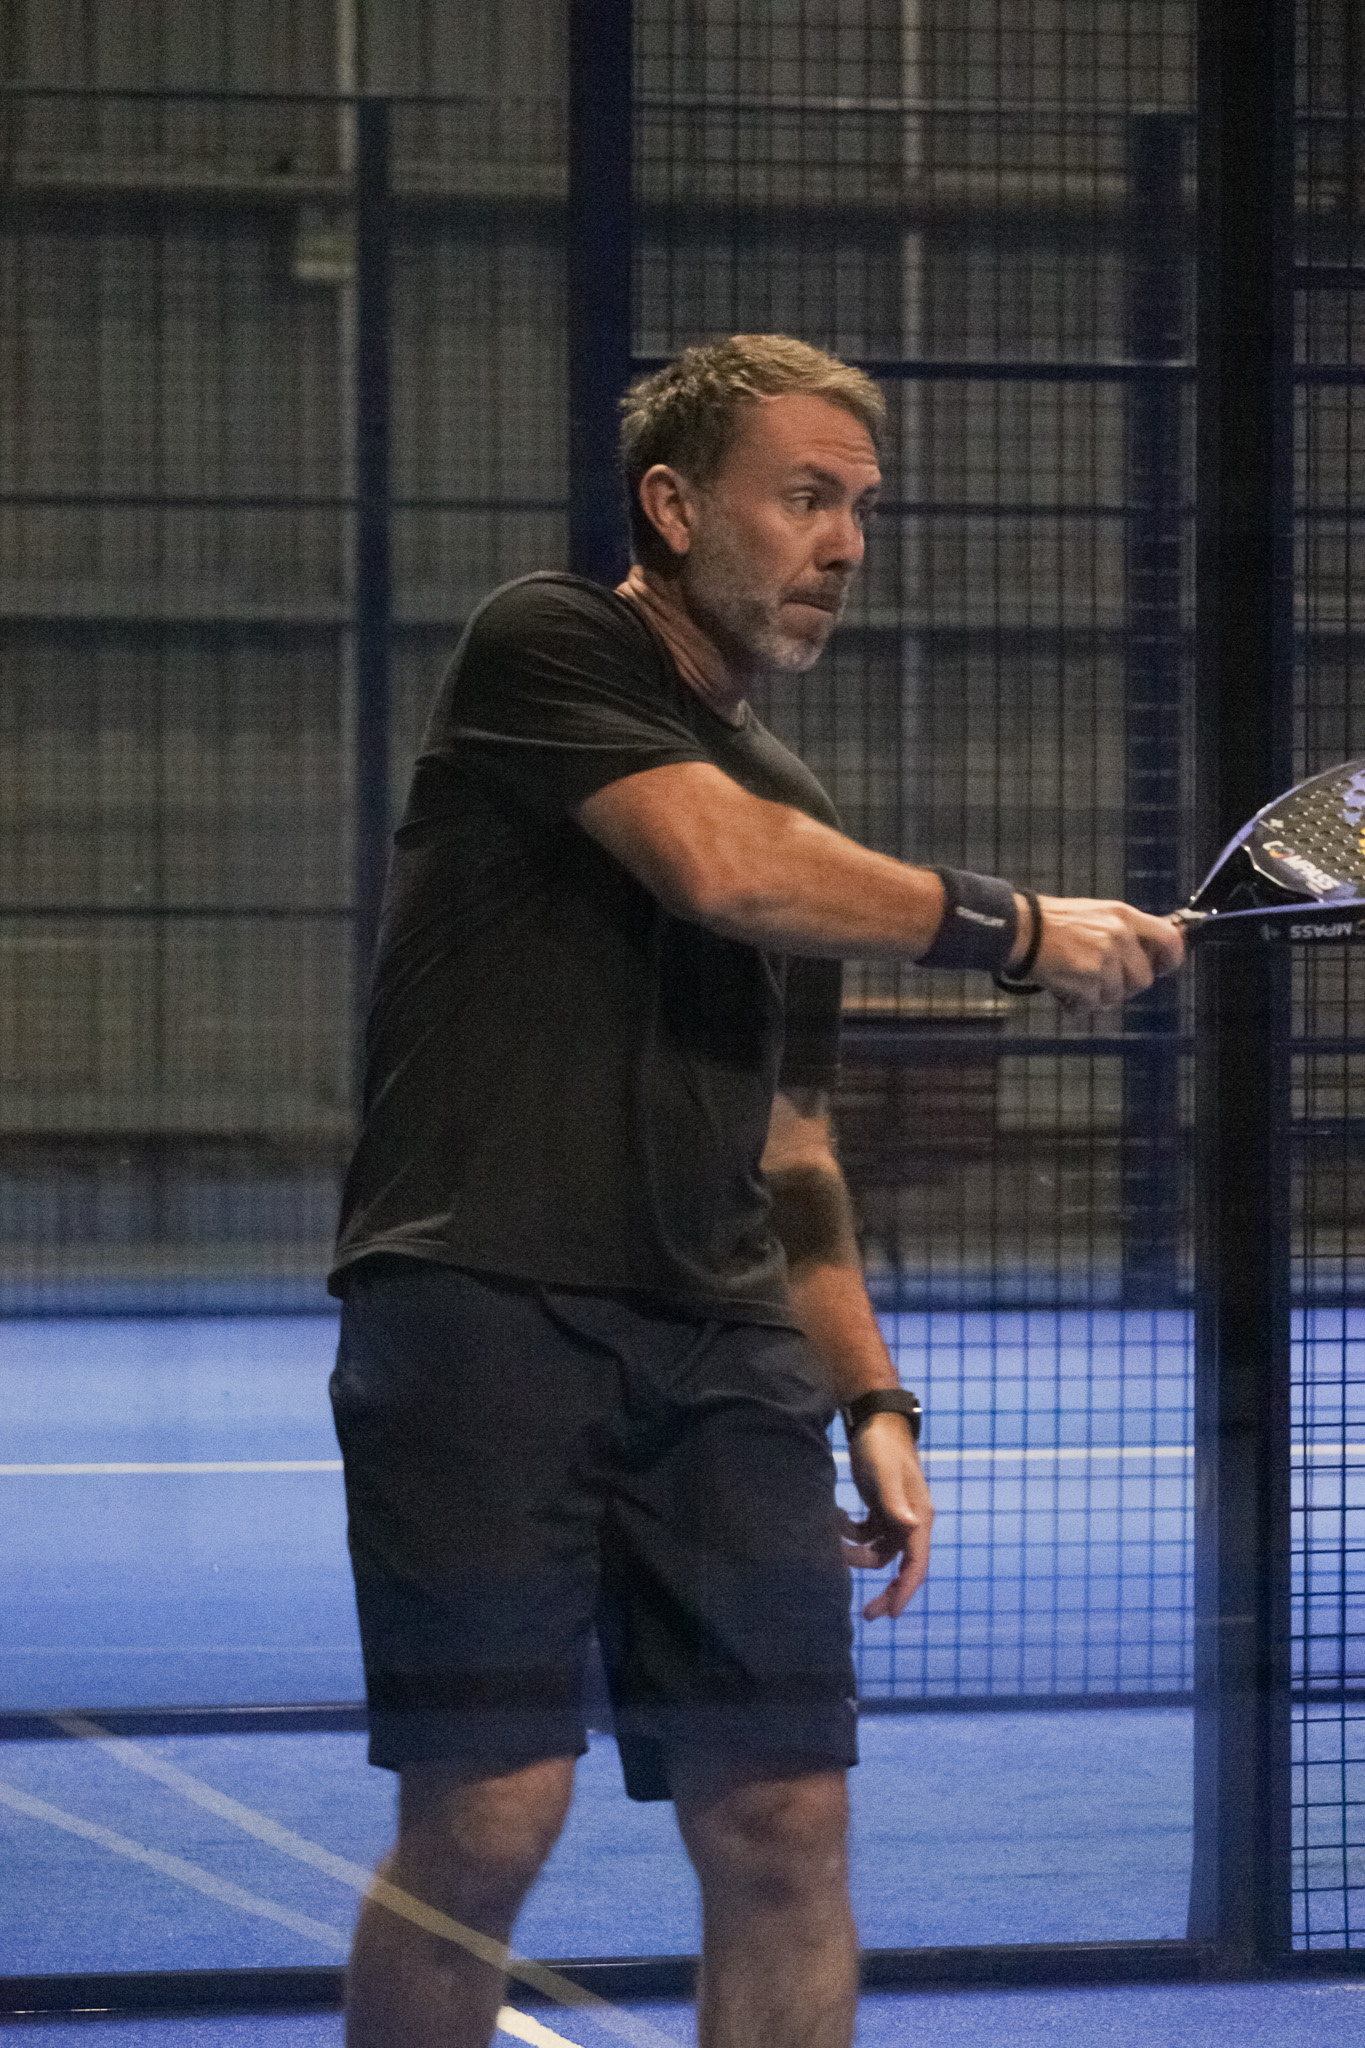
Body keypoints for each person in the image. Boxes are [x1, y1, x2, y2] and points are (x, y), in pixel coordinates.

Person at [327, 334, 1185, 2048]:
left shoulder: (796, 809)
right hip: (480, 1309)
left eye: (859, 507)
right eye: (803, 497)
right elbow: (713, 866)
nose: (843, 543)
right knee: (486, 1821)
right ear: (671, 504)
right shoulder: (545, 642)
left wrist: (869, 1396)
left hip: (721, 1353)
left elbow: (791, 1148)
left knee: (786, 1822)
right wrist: (1017, 927)